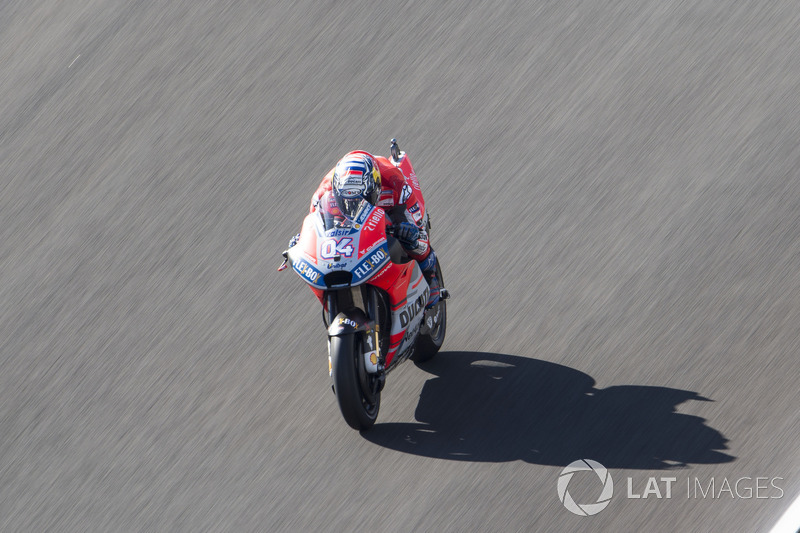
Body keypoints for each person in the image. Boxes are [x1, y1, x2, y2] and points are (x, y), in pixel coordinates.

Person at [303, 149, 440, 308]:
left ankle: (431, 276)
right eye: (347, 200)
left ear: (374, 188)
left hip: (393, 209)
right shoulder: (323, 191)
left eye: (359, 199)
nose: (353, 206)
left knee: (414, 238)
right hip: (346, 222)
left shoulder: (395, 182)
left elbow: (418, 224)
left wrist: (410, 231)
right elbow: (316, 225)